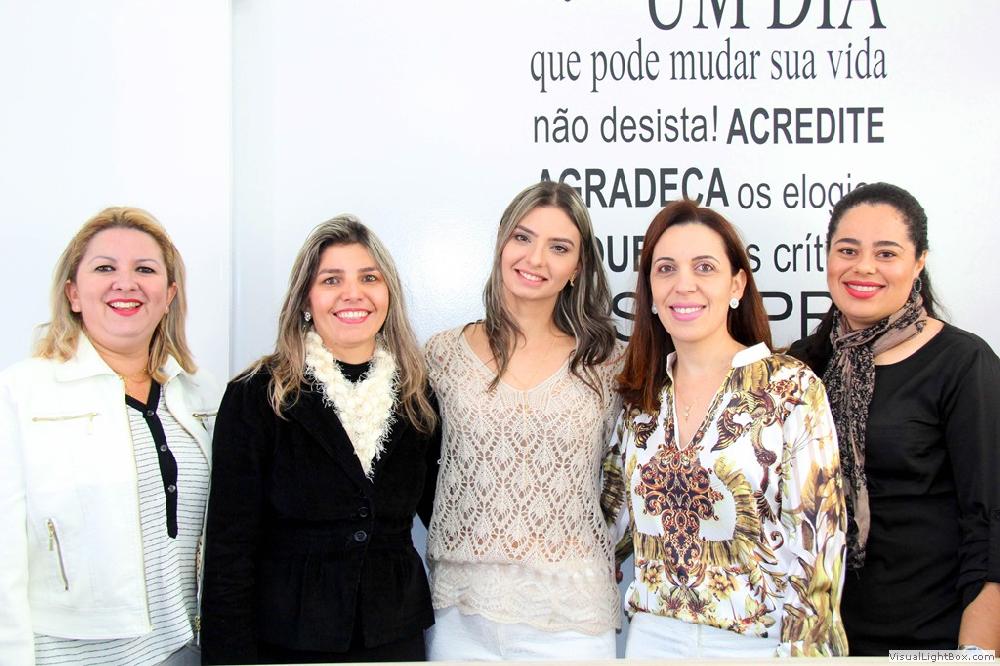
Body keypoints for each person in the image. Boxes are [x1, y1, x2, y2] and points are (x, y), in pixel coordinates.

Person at [603, 200, 848, 658]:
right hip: (651, 641)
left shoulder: (790, 389)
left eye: (705, 267)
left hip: (756, 645)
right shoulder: (642, 401)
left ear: (737, 284)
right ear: (650, 292)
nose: (684, 284)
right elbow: (608, 527)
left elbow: (820, 544)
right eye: (666, 269)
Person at [199, 215, 440, 664]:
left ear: (388, 294)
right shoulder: (258, 394)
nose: (353, 293)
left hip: (393, 635)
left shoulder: (417, 395)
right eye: (332, 280)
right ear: (306, 299)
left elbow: (444, 511)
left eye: (369, 278)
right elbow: (230, 549)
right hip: (288, 640)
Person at [0, 207, 218, 666]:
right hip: (66, 657)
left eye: (145, 269)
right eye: (105, 268)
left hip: (186, 651)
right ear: (73, 293)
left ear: (169, 295)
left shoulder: (203, 395)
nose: (126, 283)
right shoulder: (18, 394)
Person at [788, 182, 1000, 654]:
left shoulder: (963, 363)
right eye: (848, 250)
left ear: (919, 262)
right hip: (817, 639)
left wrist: (976, 655)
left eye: (886, 253)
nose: (864, 267)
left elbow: (990, 521)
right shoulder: (803, 366)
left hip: (929, 639)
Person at [423, 181, 622, 660]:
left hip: (574, 618)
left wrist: (614, 547)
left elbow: (632, 475)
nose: (536, 259)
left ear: (578, 268)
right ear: (501, 242)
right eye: (523, 237)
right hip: (459, 613)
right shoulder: (442, 355)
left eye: (559, 247)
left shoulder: (610, 364)